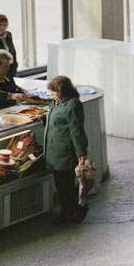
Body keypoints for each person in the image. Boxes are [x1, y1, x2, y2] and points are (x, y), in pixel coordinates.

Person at [43, 74, 91, 223]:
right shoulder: (55, 102)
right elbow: (54, 118)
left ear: (62, 91)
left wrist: (81, 153)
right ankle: (70, 211)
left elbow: (76, 131)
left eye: (54, 91)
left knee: (66, 186)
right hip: (54, 151)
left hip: (65, 152)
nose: (52, 94)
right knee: (61, 185)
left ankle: (70, 212)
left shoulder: (73, 105)